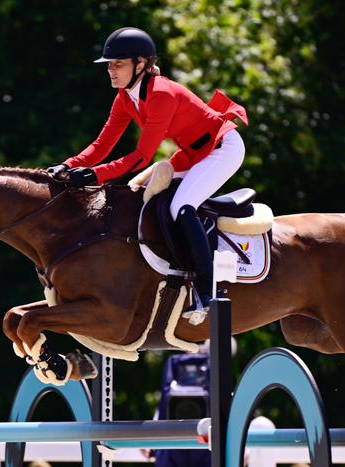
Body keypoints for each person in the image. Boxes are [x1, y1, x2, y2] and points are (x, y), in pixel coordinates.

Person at [47, 27, 248, 323]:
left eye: (118, 64)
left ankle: (208, 290)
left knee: (182, 206)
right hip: (194, 153)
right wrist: (68, 165)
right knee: (145, 197)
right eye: (109, 65)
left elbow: (142, 156)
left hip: (223, 148)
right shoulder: (125, 98)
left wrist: (94, 175)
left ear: (140, 64)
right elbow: (103, 144)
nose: (111, 71)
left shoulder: (162, 94)